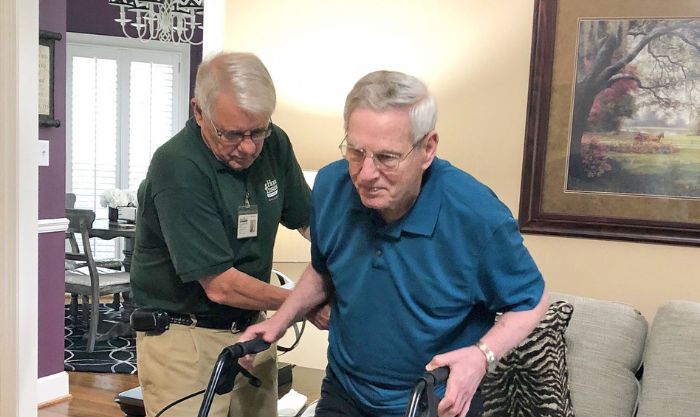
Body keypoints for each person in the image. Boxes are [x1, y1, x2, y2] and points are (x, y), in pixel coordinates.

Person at [240, 70, 548, 417]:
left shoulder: (475, 214)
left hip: (433, 400)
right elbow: (324, 268)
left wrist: (482, 355)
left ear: (427, 148)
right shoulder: (331, 186)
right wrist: (281, 320)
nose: (366, 174)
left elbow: (531, 301)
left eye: (387, 157)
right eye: (356, 152)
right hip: (346, 391)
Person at [130, 51, 316, 417]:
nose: (247, 147)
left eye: (257, 131)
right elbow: (220, 284)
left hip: (253, 330)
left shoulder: (274, 143)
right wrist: (301, 305)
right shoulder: (178, 165)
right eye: (231, 134)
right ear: (199, 112)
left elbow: (312, 222)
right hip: (185, 339)